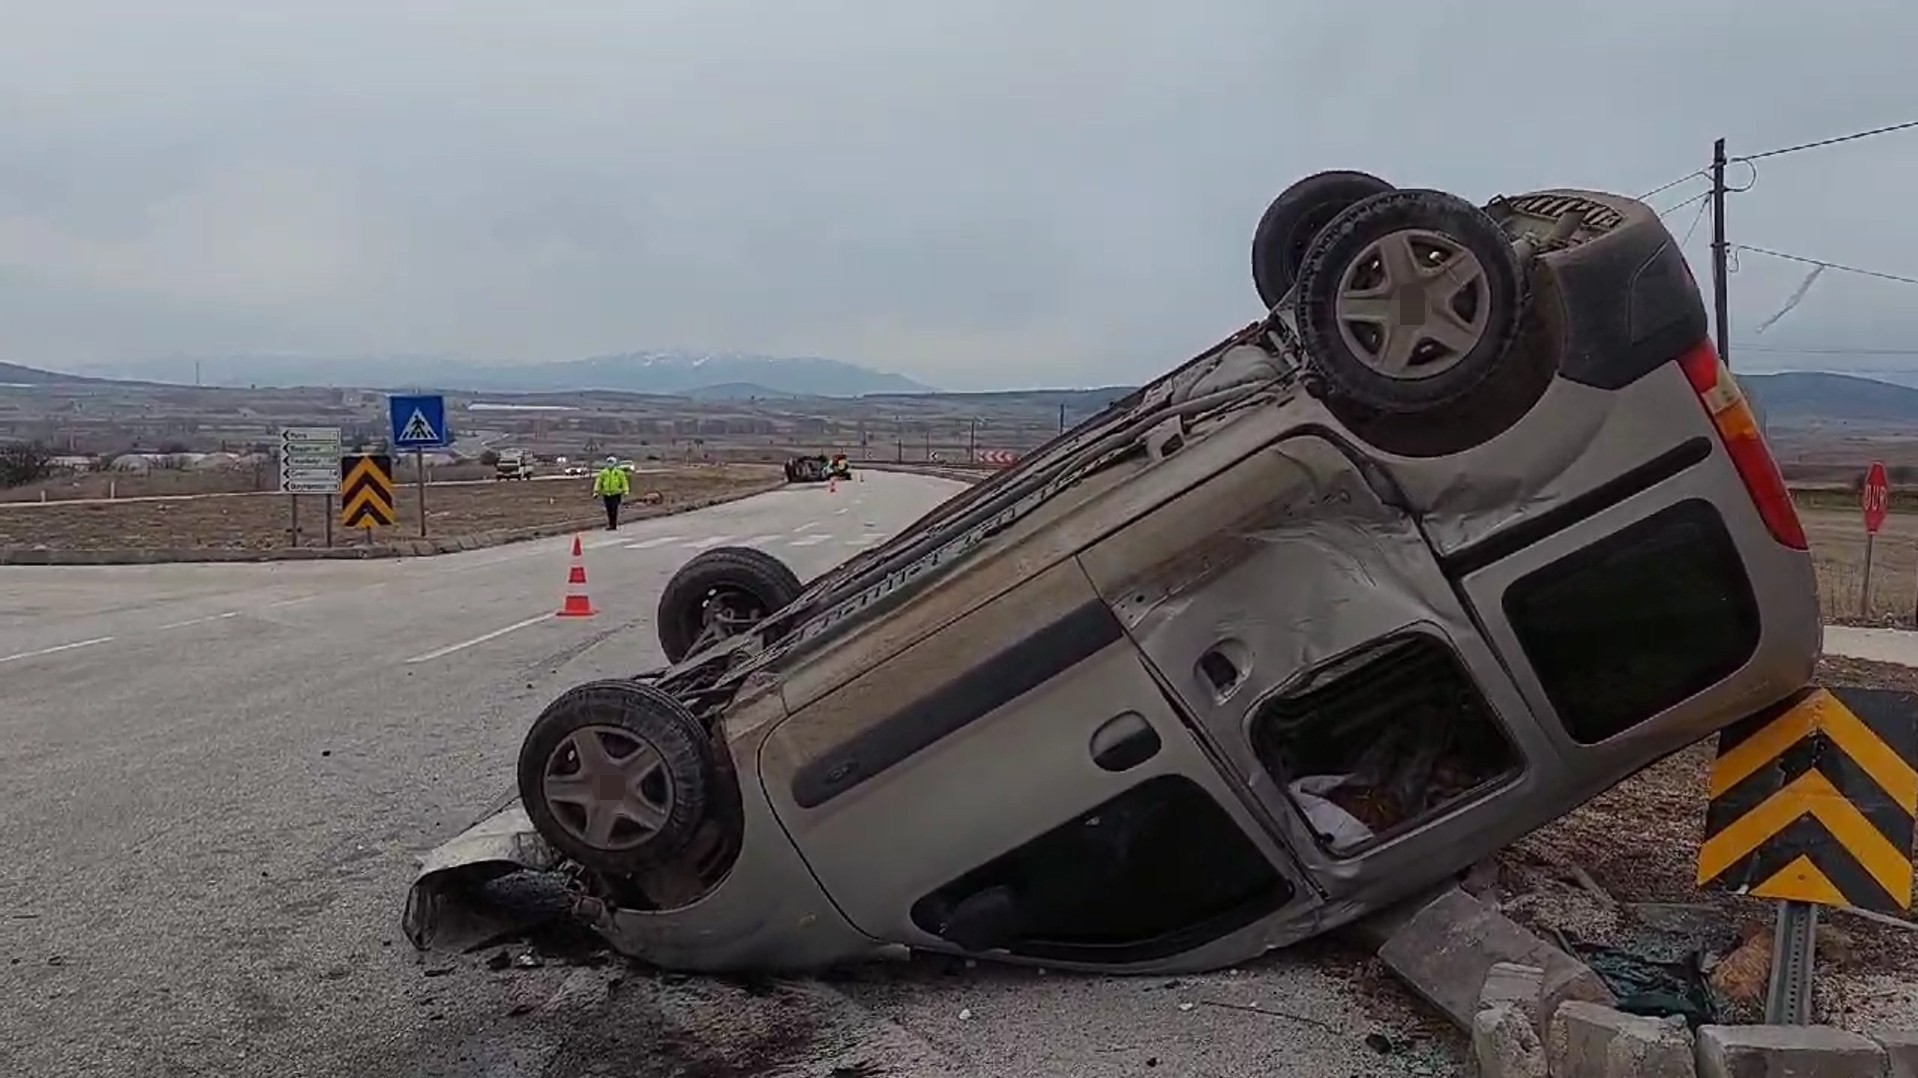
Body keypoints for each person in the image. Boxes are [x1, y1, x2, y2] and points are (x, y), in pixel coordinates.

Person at [592, 455, 630, 529]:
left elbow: (624, 482)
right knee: (609, 509)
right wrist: (596, 492)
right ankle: (610, 523)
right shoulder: (603, 473)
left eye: (611, 462)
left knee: (614, 509)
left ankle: (613, 524)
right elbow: (599, 482)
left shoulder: (619, 473)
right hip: (606, 494)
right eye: (609, 462)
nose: (610, 464)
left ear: (615, 463)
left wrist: (626, 491)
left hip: (616, 494)